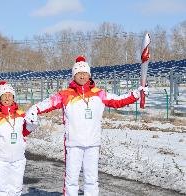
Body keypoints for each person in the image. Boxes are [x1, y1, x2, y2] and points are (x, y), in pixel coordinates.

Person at [25, 56, 148, 196]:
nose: (82, 75)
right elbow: (47, 103)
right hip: (73, 144)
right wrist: (34, 109)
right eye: (78, 73)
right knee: (71, 180)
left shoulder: (99, 94)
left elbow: (118, 101)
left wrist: (137, 94)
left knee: (92, 179)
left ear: (89, 75)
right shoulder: (65, 95)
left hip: (93, 143)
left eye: (85, 73)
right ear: (74, 76)